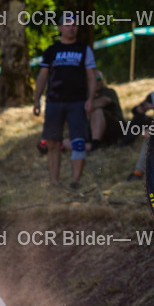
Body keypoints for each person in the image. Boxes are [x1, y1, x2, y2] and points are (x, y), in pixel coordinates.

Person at [33, 13, 97, 189]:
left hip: (77, 102)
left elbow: (91, 76)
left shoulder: (85, 49)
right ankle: (54, 182)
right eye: (68, 24)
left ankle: (75, 181)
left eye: (75, 24)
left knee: (78, 142)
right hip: (54, 102)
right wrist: (36, 100)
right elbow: (42, 77)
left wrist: (90, 99)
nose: (72, 27)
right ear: (60, 28)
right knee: (52, 142)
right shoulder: (51, 51)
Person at [127, 69, 154, 181]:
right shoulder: (153, 95)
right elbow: (137, 109)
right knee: (145, 131)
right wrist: (147, 107)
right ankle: (138, 171)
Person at [89, 71, 124, 149]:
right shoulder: (87, 96)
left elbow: (103, 101)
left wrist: (87, 106)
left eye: (98, 79)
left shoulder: (109, 92)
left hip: (115, 129)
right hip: (92, 131)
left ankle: (95, 143)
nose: (97, 82)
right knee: (66, 142)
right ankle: (93, 146)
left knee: (97, 111)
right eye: (93, 80)